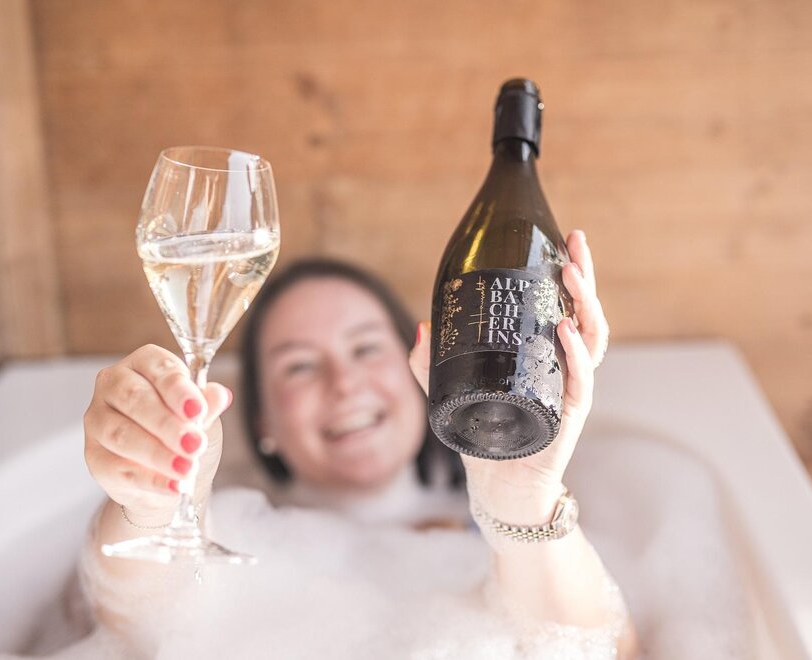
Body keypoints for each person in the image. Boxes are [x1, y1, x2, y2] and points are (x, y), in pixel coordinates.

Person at [81, 230, 640, 658]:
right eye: (299, 366)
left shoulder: (522, 537)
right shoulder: (232, 544)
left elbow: (612, 655)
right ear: (262, 420)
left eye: (367, 348)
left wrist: (522, 499)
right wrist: (156, 498)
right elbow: (138, 622)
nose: (344, 383)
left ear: (422, 370)